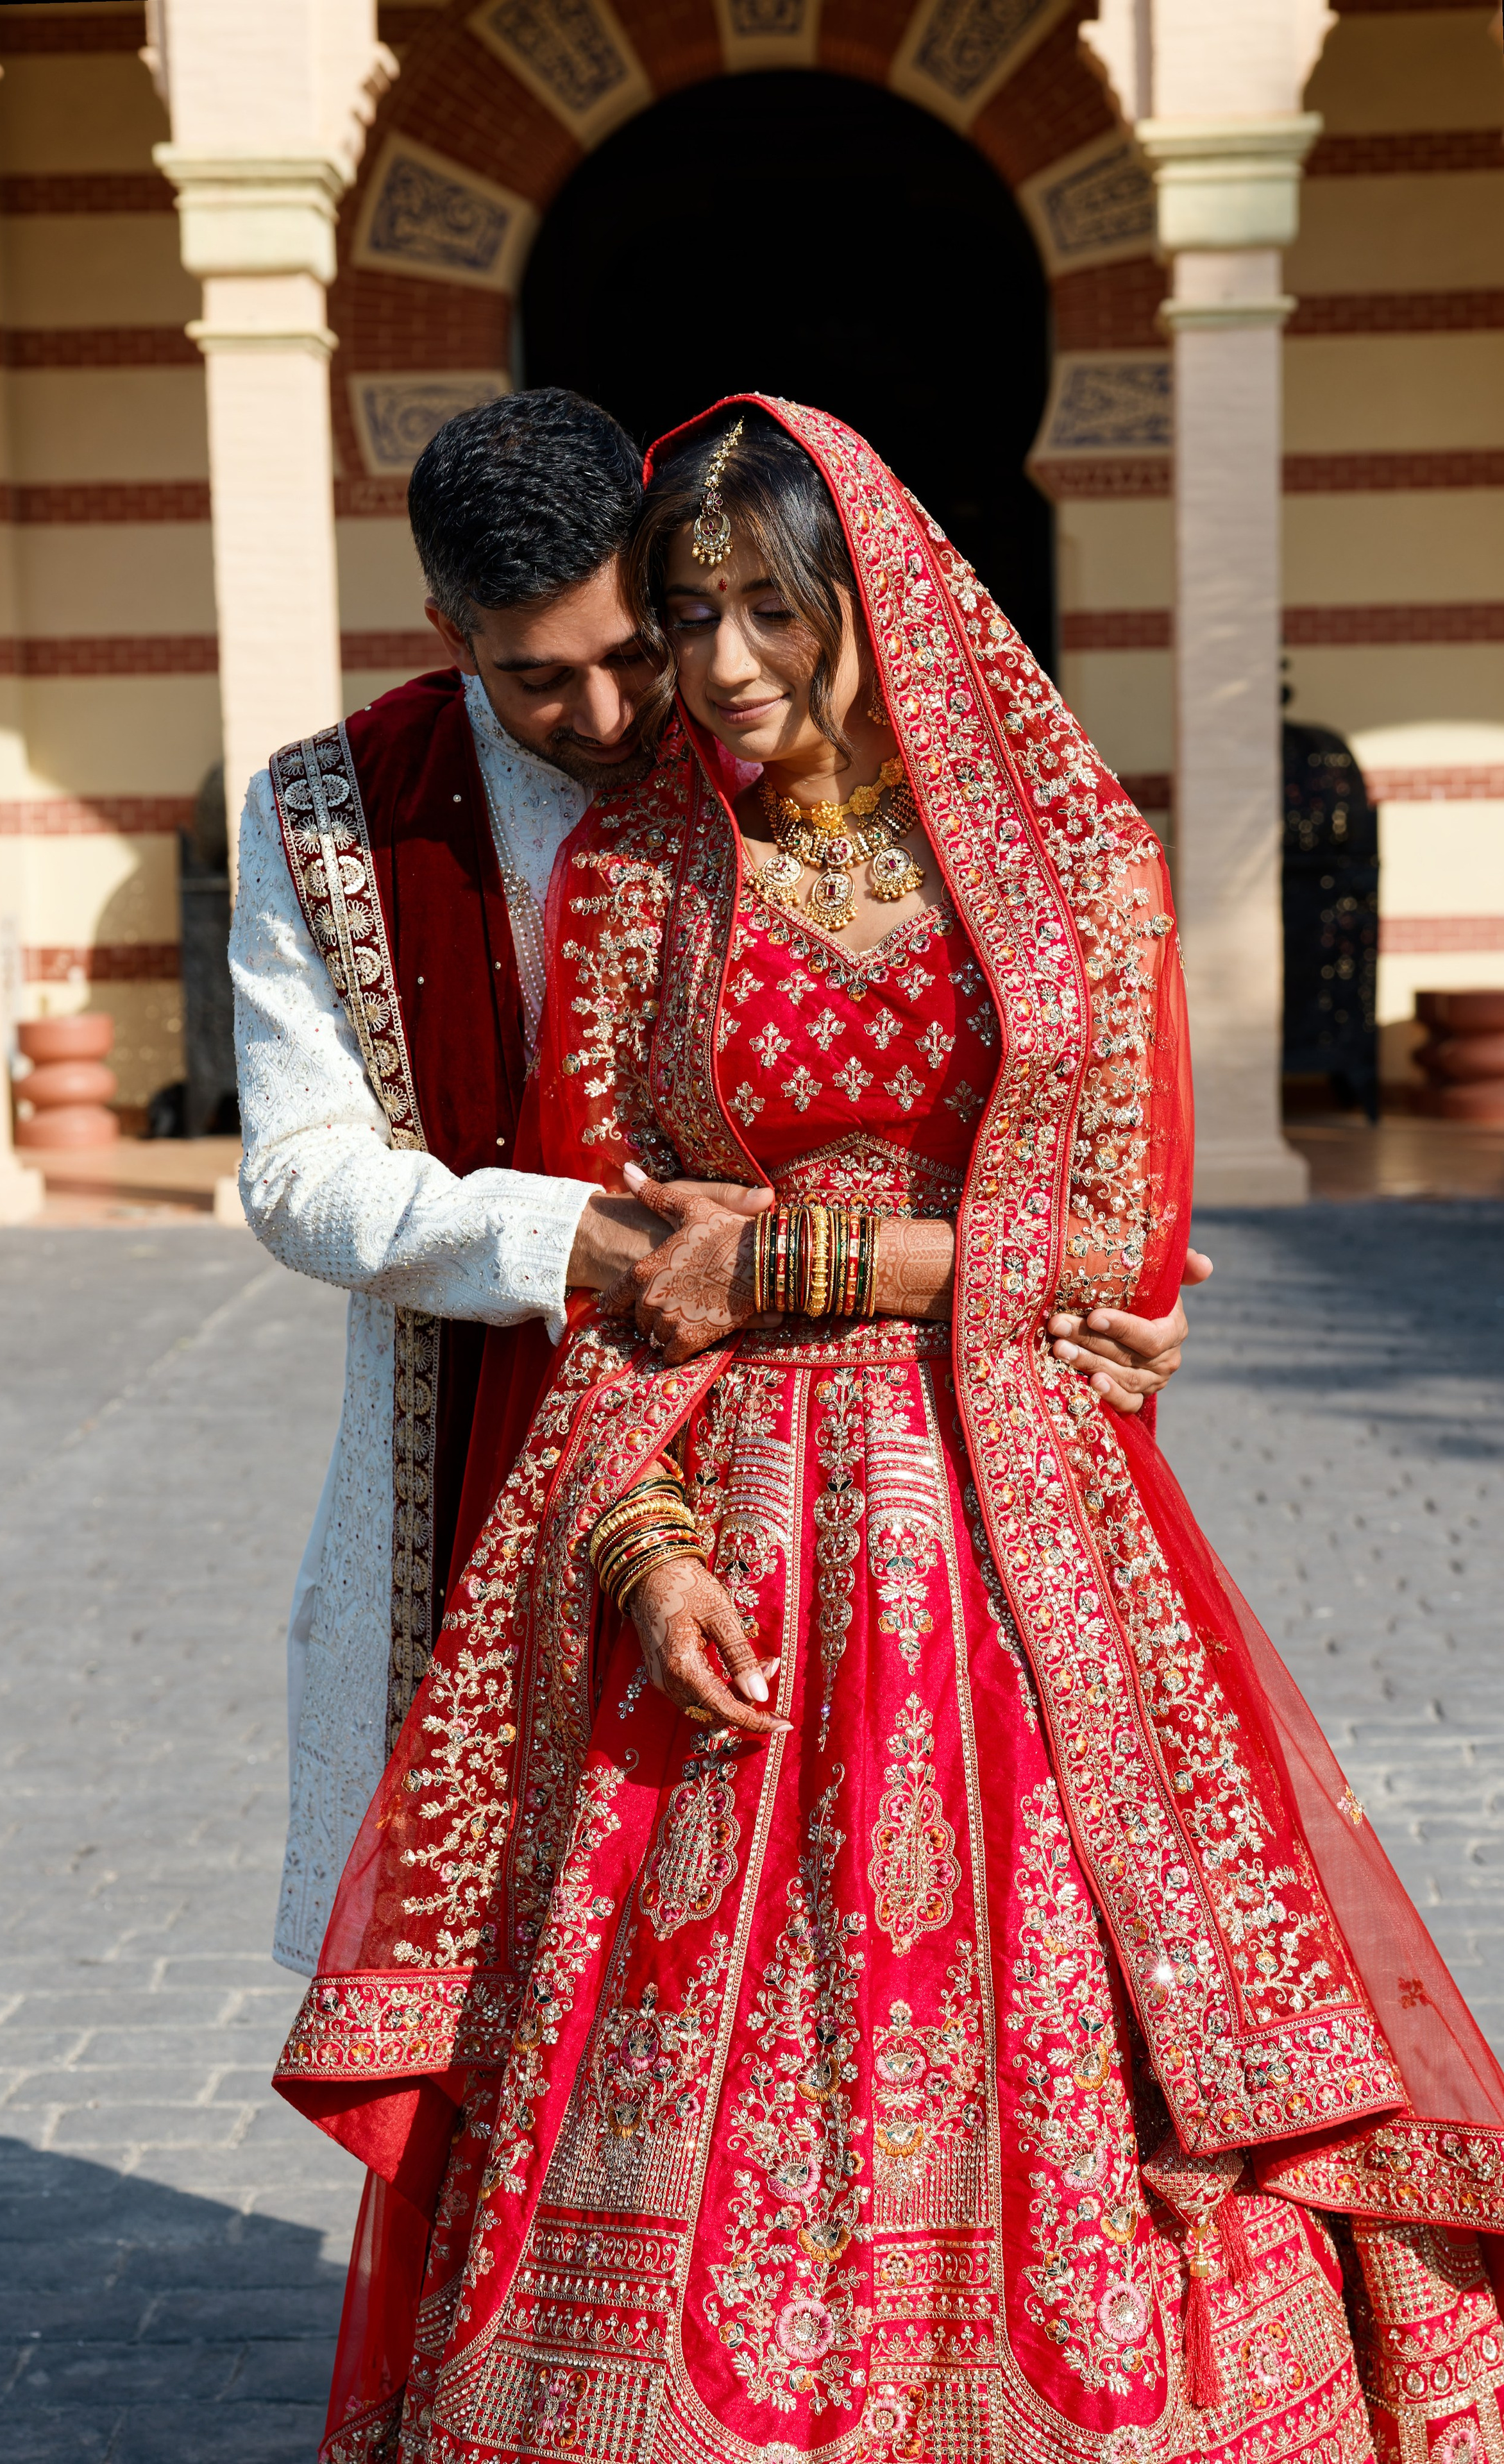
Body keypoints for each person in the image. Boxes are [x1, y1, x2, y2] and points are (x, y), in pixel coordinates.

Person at [231, 389, 1200, 1978]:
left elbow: (1033, 1140)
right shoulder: (331, 816)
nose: (616, 715)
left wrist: (1070, 1262)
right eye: (538, 678)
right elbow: (301, 1177)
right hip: (472, 1379)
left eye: (639, 649)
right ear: (449, 632)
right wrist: (594, 1239)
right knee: (498, 1947)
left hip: (837, 1438)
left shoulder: (769, 729)